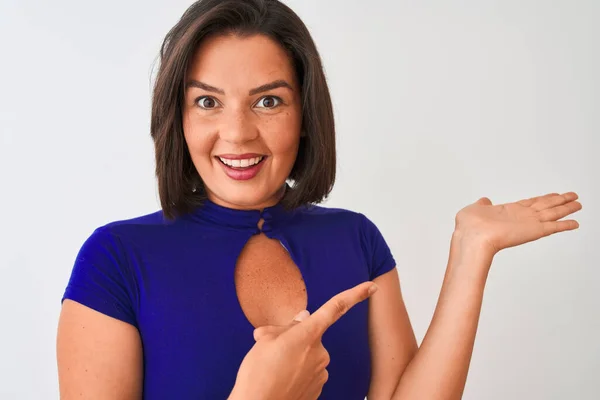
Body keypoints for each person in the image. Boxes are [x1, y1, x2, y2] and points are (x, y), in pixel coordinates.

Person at [56, 0, 582, 399]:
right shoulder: (116, 260)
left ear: (305, 115)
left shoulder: (355, 239)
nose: (237, 133)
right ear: (180, 118)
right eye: (207, 102)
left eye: (268, 100)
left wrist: (471, 254)